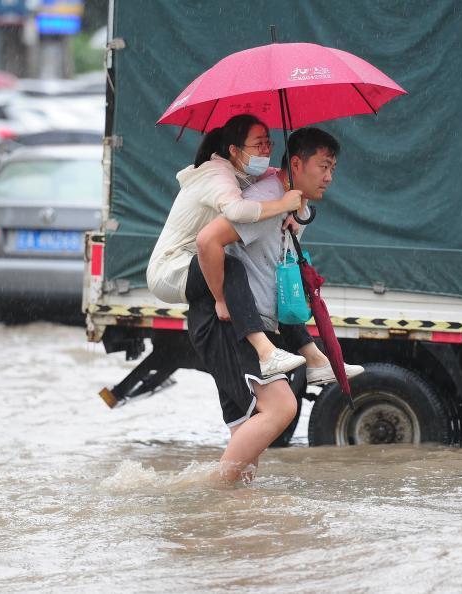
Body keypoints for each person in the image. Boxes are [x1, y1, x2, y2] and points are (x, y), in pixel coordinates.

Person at [189, 127, 363, 484]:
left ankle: (228, 520)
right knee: (282, 407)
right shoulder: (269, 197)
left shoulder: (289, 202)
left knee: (248, 445)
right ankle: (206, 495)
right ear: (297, 163)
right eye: (324, 166)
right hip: (227, 322)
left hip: (249, 322)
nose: (330, 177)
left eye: (333, 168)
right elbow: (207, 240)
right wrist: (222, 299)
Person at [147, 114, 307, 377]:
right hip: (172, 268)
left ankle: (313, 357)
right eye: (259, 145)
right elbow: (236, 210)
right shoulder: (215, 174)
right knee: (232, 266)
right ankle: (266, 354)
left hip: (202, 260)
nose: (266, 150)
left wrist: (295, 205)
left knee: (272, 282)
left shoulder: (242, 170)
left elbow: (280, 179)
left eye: (269, 143)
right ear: (234, 150)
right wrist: (221, 299)